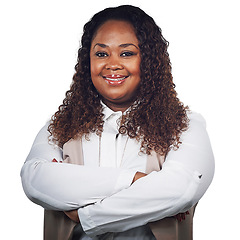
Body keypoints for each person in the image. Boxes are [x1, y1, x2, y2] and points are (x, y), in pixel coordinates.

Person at [21, 5, 215, 240]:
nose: (112, 64)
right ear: (87, 62)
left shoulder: (184, 125)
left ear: (149, 61)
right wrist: (133, 180)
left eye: (126, 53)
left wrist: (86, 217)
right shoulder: (63, 124)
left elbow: (181, 189)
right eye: (101, 54)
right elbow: (34, 178)